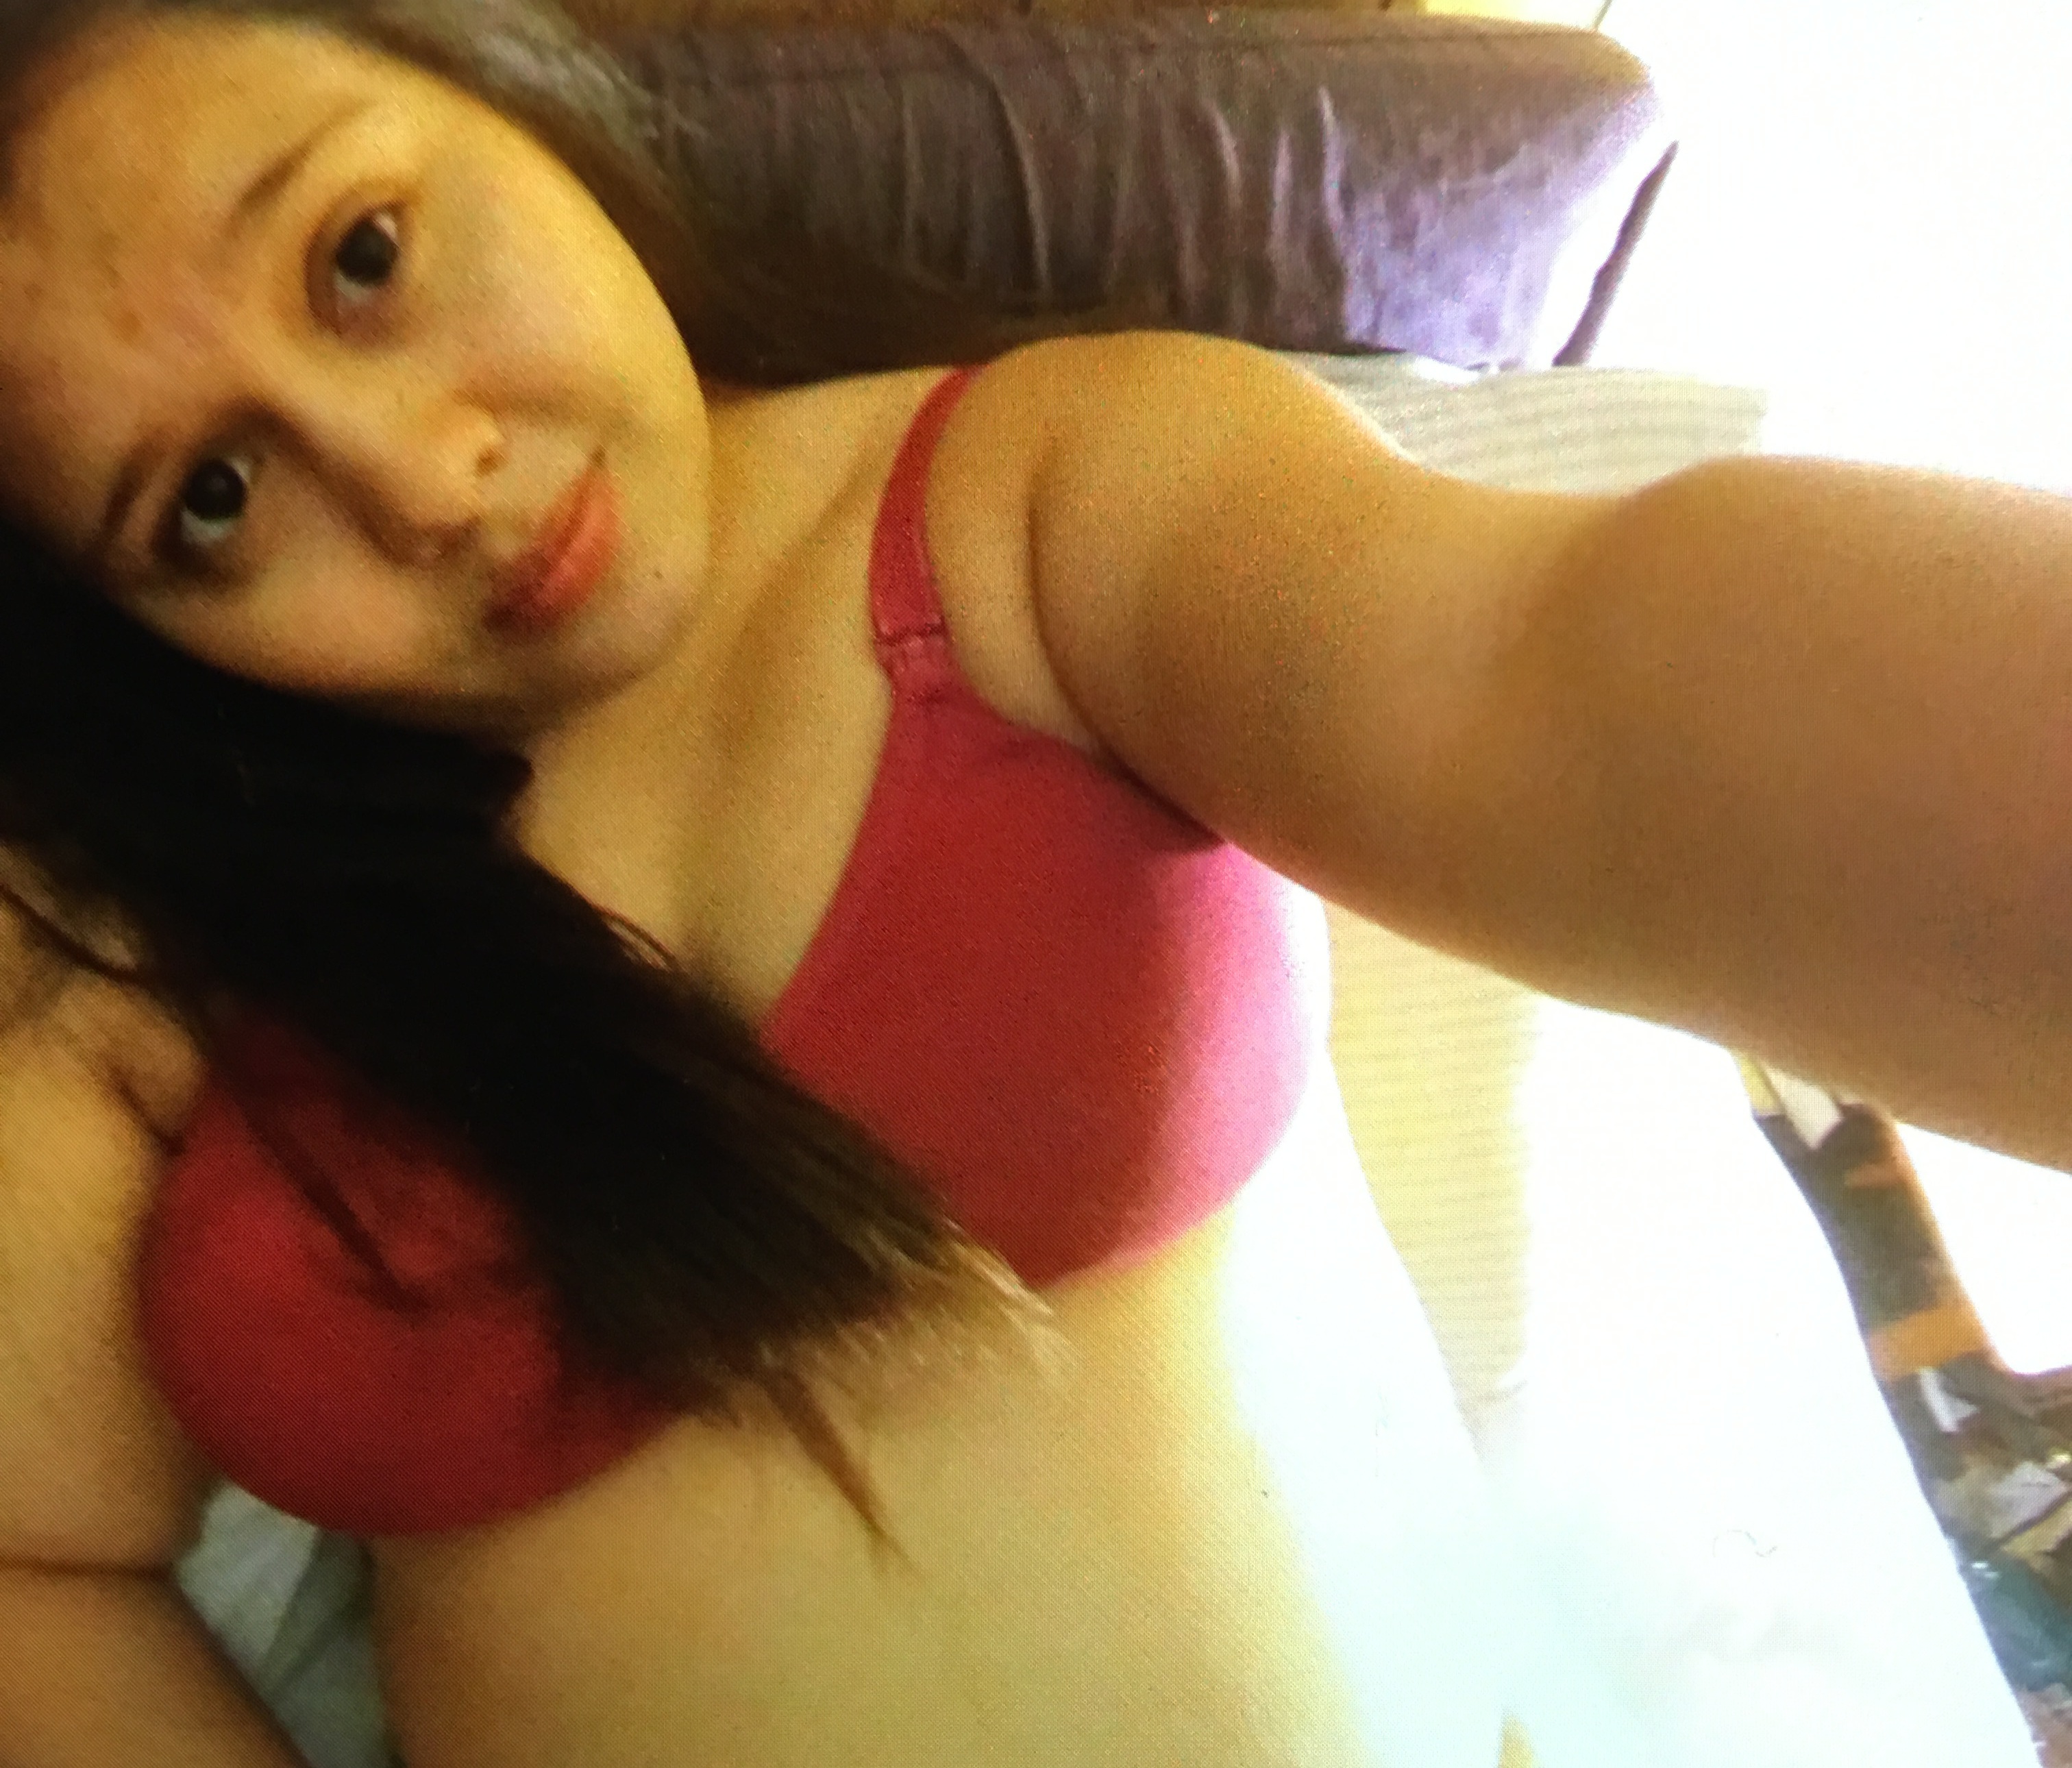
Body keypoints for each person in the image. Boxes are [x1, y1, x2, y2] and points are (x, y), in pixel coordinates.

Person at [0, 3, 2067, 1767]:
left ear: (502, 86)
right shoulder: (149, 932)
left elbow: (1547, 688)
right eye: (211, 499)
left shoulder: (1029, 507)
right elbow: (29, 1560)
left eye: (362, 255)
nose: (422, 479)